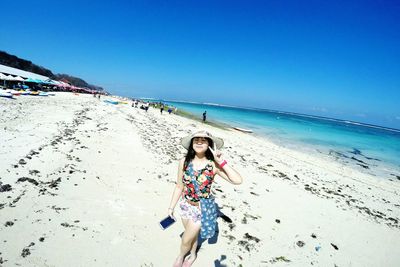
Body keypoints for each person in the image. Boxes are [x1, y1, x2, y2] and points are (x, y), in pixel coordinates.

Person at [168, 130, 243, 267]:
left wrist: (221, 162)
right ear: (192, 143)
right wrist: (171, 207)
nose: (199, 141)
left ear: (209, 144)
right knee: (192, 236)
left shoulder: (213, 165)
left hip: (201, 209)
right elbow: (179, 186)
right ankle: (193, 254)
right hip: (185, 205)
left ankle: (181, 257)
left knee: (185, 239)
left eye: (204, 140)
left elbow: (237, 180)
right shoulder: (183, 162)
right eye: (196, 139)